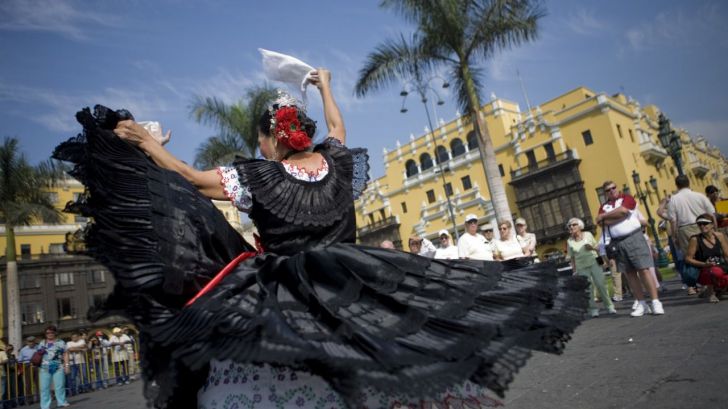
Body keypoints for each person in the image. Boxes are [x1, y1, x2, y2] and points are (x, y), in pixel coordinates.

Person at [53, 67, 587, 408]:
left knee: (302, 365)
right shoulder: (336, 159)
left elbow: (191, 179)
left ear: (269, 140)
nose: (259, 147)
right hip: (357, 277)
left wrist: (148, 142)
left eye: (261, 139)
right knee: (377, 354)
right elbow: (340, 126)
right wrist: (326, 83)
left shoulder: (256, 177)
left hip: (290, 289)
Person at [596, 180, 664, 317]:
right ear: (605, 193)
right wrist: (614, 216)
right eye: (608, 190)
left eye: (614, 187)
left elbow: (623, 211)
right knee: (630, 273)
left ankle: (656, 302)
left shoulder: (627, 198)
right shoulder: (603, 206)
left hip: (634, 237)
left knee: (643, 270)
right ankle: (642, 303)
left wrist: (607, 217)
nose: (612, 191)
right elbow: (599, 221)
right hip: (618, 242)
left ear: (617, 188)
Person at [566, 218, 616, 318]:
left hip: (594, 264)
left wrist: (601, 262)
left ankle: (609, 306)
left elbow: (597, 248)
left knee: (601, 285)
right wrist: (574, 270)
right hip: (581, 267)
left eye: (574, 224)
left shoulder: (588, 234)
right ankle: (593, 309)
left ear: (580, 226)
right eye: (569, 226)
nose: (571, 227)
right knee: (588, 289)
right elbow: (572, 258)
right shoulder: (569, 241)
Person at [684, 214, 728, 303]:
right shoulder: (695, 239)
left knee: (721, 274)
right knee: (715, 271)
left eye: (705, 223)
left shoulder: (719, 236)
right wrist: (705, 264)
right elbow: (688, 259)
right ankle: (712, 293)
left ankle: (718, 290)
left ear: (712, 224)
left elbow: (727, 254)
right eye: (699, 224)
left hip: (720, 267)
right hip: (704, 271)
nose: (702, 226)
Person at [37, 325, 70, 409]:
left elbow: (65, 354)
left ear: (55, 333)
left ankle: (61, 402)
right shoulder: (42, 342)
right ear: (45, 334)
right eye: (48, 333)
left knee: (60, 386)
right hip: (44, 368)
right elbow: (39, 354)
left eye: (52, 332)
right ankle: (45, 406)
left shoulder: (61, 342)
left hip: (58, 366)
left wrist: (67, 365)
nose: (50, 334)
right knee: (44, 387)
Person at [17, 336, 38, 405]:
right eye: (29, 341)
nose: (31, 343)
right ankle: (29, 400)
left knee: (39, 383)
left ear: (35, 341)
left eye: (32, 341)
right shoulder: (23, 350)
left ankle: (39, 398)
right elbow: (19, 360)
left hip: (38, 366)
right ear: (27, 342)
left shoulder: (38, 347)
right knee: (28, 384)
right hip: (27, 366)